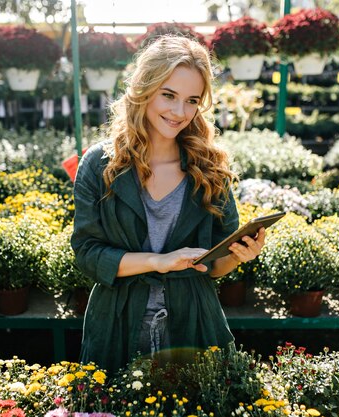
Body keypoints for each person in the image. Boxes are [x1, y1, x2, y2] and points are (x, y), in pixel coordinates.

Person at [71, 35, 266, 374]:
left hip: (193, 327)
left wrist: (237, 256)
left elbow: (213, 266)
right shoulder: (100, 164)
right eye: (168, 95)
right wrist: (159, 261)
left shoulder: (210, 168)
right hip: (116, 326)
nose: (180, 112)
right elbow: (87, 254)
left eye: (192, 101)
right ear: (144, 89)